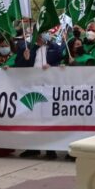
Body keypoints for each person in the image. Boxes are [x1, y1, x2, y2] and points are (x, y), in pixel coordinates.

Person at [16, 30, 64, 159]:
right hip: (32, 88)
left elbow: (63, 60)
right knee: (32, 119)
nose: (46, 35)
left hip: (49, 88)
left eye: (47, 32)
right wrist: (25, 58)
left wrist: (52, 65)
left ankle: (50, 149)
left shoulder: (54, 48)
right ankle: (33, 148)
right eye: (43, 32)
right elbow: (18, 66)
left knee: (48, 118)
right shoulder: (28, 48)